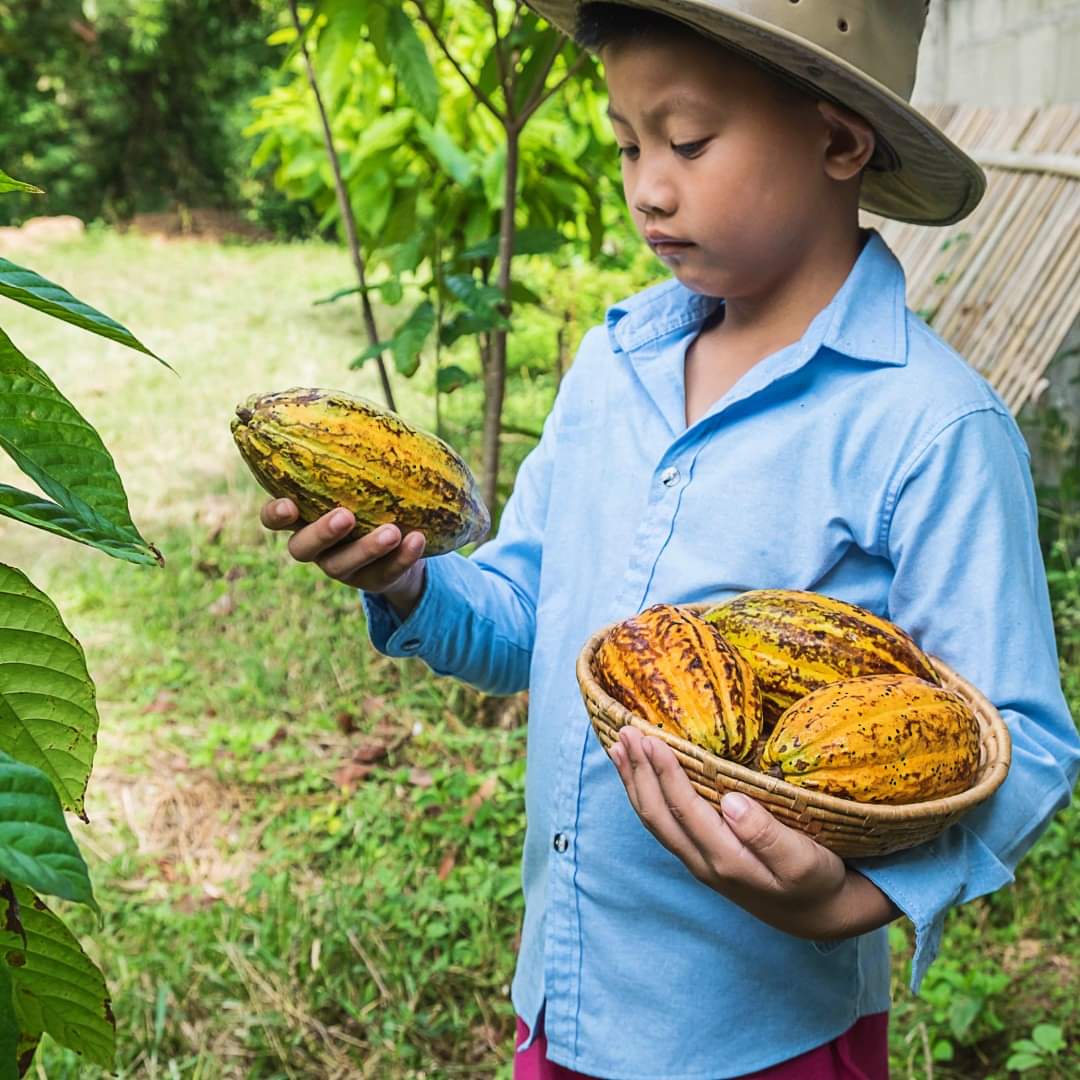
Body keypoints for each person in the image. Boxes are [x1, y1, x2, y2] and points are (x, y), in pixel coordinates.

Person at [259, 2, 1080, 1077]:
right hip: (565, 1001)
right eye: (627, 145)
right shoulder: (614, 367)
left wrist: (850, 902)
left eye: (688, 142)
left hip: (766, 1038)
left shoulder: (929, 426)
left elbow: (1021, 739)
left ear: (840, 140)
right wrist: (409, 584)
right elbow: (529, 621)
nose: (647, 187)